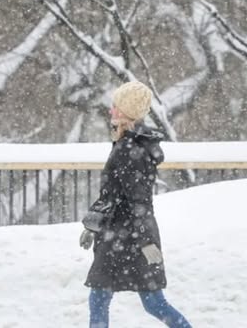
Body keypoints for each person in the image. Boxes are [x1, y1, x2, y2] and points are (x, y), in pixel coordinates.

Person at [79, 80, 192, 328]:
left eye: (116, 106)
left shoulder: (130, 150)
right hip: (117, 235)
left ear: (126, 111)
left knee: (150, 302)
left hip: (129, 237)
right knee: (102, 296)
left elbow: (139, 201)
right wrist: (92, 224)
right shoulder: (127, 144)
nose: (111, 110)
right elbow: (112, 195)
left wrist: (146, 242)